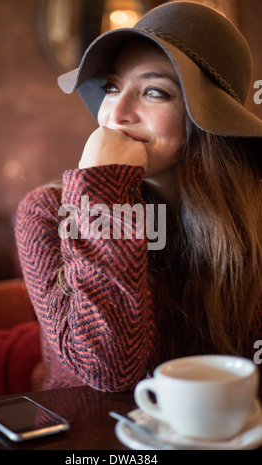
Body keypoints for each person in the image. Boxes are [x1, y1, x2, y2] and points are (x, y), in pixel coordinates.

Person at [15, 1, 262, 393]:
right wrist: (102, 191)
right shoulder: (46, 213)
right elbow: (107, 370)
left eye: (153, 92)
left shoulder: (251, 215)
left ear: (208, 119)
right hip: (87, 439)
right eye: (112, 87)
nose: (116, 113)